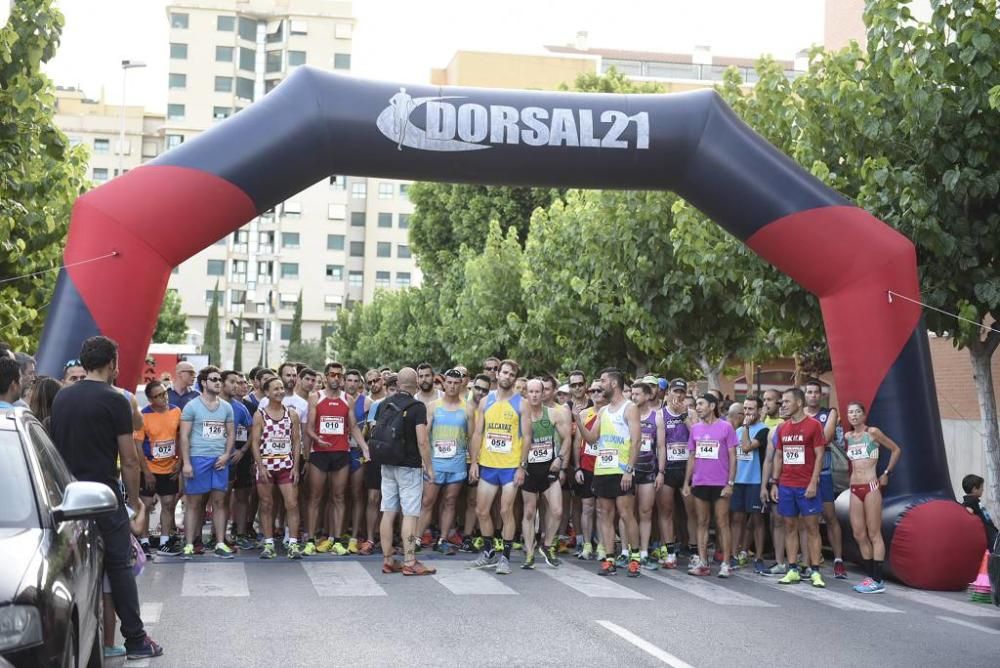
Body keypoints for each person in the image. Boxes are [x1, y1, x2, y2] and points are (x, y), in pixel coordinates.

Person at [49, 336, 163, 659]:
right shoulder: (117, 400)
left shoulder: (62, 398)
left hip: (68, 495)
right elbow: (129, 458)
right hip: (103, 496)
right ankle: (136, 640)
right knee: (119, 564)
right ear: (113, 364)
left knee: (73, 566)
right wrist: (135, 503)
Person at [575, 368, 642, 577]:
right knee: (605, 515)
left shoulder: (629, 408)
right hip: (602, 468)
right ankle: (609, 559)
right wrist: (578, 420)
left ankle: (635, 558)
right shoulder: (602, 412)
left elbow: (636, 440)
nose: (598, 386)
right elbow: (592, 438)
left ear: (613, 384)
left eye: (602, 381)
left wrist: (629, 470)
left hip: (622, 470)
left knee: (626, 514)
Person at [469, 359, 532, 575]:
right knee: (482, 511)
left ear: (515, 379)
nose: (506, 377)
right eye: (504, 372)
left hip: (510, 467)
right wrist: (474, 462)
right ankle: (488, 552)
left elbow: (527, 437)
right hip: (488, 464)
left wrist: (522, 467)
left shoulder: (521, 403)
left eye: (511, 374)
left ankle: (504, 557)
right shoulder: (486, 401)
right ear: (497, 374)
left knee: (506, 511)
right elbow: (478, 433)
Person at [377, 367, 436, 575]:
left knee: (388, 511)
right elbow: (422, 440)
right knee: (410, 514)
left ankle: (387, 560)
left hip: (387, 464)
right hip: (409, 467)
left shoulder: (384, 404)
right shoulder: (417, 406)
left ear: (398, 384)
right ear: (416, 385)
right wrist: (429, 467)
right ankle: (410, 562)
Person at [305, 361, 367, 555]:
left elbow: (354, 426)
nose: (336, 378)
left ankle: (338, 540)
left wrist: (365, 448)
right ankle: (310, 539)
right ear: (325, 377)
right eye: (332, 374)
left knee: (339, 496)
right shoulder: (315, 396)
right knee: (316, 497)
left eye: (339, 375)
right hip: (320, 453)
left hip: (341, 452)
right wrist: (317, 440)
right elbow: (308, 427)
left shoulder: (348, 399)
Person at [770, 388, 826, 588]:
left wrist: (813, 482)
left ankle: (815, 570)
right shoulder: (782, 428)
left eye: (786, 401)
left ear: (799, 403)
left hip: (806, 486)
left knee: (812, 528)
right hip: (786, 485)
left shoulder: (814, 425)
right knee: (790, 527)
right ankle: (792, 568)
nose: (782, 405)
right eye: (782, 402)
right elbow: (778, 456)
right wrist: (774, 483)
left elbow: (820, 455)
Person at [844, 401, 902, 594]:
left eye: (857, 412)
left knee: (874, 533)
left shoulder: (873, 433)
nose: (853, 415)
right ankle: (870, 577)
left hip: (871, 486)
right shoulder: (848, 436)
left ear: (863, 414)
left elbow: (896, 449)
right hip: (854, 487)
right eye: (850, 412)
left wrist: (886, 472)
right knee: (858, 534)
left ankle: (878, 579)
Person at [179, 365, 236, 559]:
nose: (218, 382)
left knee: (220, 502)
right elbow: (184, 436)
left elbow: (231, 433)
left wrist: (227, 454)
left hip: (219, 459)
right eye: (214, 379)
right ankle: (188, 544)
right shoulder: (192, 406)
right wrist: (186, 463)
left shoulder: (227, 407)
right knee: (194, 503)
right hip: (198, 458)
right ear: (203, 383)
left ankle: (220, 542)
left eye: (220, 379)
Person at [416, 368, 475, 554]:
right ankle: (415, 538)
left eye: (456, 383)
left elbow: (473, 437)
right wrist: (424, 461)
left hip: (457, 463)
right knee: (427, 501)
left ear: (462, 384)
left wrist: (474, 463)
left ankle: (442, 539)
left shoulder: (468, 408)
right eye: (449, 382)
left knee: (450, 501)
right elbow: (424, 435)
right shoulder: (433, 406)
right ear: (443, 384)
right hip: (436, 463)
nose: (452, 386)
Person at [682, 394, 738, 577]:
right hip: (700, 482)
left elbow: (733, 456)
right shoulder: (696, 429)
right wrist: (686, 483)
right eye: (697, 404)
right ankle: (703, 561)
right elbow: (692, 456)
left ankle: (726, 563)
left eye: (701, 404)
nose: (697, 407)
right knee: (702, 522)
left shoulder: (726, 427)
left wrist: (730, 482)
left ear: (712, 406)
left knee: (722, 523)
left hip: (720, 483)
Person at [520, 379, 571, 569]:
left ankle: (547, 545)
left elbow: (567, 439)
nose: (534, 395)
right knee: (530, 512)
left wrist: (560, 459)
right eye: (530, 391)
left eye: (537, 392)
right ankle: (529, 553)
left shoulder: (553, 414)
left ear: (543, 394)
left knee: (557, 511)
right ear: (525, 393)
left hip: (548, 469)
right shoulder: (521, 415)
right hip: (528, 470)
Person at [252, 376, 303, 559]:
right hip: (266, 465)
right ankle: (269, 543)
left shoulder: (292, 414)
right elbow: (255, 443)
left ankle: (294, 544)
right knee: (266, 505)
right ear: (266, 392)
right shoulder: (260, 415)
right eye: (275, 389)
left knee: (292, 504)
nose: (280, 392)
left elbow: (297, 442)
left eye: (281, 388)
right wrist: (260, 466)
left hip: (286, 466)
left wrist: (296, 467)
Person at [803, 379, 847, 579]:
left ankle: (838, 560)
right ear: (804, 395)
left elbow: (826, 437)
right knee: (805, 520)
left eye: (816, 392)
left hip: (824, 472)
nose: (812, 395)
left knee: (829, 516)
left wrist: (804, 434)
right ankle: (808, 560)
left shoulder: (829, 413)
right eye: (809, 392)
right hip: (802, 473)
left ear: (821, 395)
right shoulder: (799, 413)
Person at [134, 380, 183, 556]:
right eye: (159, 395)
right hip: (149, 466)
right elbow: (138, 446)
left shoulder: (176, 411)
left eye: (164, 393)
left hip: (170, 466)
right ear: (150, 399)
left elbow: (181, 437)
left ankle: (164, 541)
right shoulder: (143, 416)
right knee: (146, 505)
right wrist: (146, 472)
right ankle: (145, 541)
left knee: (169, 504)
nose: (164, 397)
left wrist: (180, 460)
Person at [657, 378, 696, 568]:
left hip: (687, 468)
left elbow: (697, 435)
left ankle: (695, 552)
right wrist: (660, 471)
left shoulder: (692, 413)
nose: (679, 396)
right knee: (667, 511)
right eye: (676, 391)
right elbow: (660, 445)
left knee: (691, 512)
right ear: (669, 393)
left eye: (682, 392)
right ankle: (670, 552)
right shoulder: (660, 415)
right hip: (669, 468)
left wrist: (683, 416)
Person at [731, 396, 769, 573]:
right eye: (745, 409)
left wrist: (745, 427)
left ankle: (759, 557)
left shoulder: (764, 431)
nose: (747, 413)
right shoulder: (737, 431)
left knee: (757, 520)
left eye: (751, 409)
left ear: (759, 411)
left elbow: (746, 447)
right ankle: (733, 555)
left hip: (755, 481)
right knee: (737, 519)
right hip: (739, 481)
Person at [631, 379, 665, 570]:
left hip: (648, 470)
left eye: (637, 394)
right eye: (632, 394)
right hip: (629, 470)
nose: (634, 397)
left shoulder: (656, 417)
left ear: (647, 396)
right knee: (628, 513)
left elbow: (661, 447)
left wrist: (661, 472)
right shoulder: (627, 415)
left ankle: (643, 551)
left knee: (645, 511)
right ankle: (629, 551)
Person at [220, 370, 255, 550]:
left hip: (240, 457)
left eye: (241, 382)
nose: (238, 386)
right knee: (220, 499)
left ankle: (240, 533)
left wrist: (242, 450)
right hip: (217, 457)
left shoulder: (244, 407)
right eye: (234, 382)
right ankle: (219, 536)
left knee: (242, 496)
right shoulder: (211, 404)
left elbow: (253, 431)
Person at [459, 374, 493, 553]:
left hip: (479, 460)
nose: (480, 392)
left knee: (474, 500)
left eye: (485, 390)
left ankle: (468, 536)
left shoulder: (489, 408)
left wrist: (475, 461)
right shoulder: (461, 405)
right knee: (450, 500)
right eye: (477, 388)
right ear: (471, 387)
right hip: (456, 459)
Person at [572, 381, 605, 560]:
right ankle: (586, 544)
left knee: (601, 509)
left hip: (605, 466)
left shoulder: (610, 412)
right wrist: (577, 467)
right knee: (587, 507)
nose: (595, 393)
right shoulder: (584, 414)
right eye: (592, 390)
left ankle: (601, 545)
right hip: (586, 466)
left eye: (599, 390)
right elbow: (578, 442)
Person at [758, 388, 789, 576]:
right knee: (776, 520)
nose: (766, 403)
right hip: (774, 479)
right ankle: (779, 561)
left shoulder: (790, 422)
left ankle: (806, 564)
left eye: (771, 400)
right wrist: (765, 484)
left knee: (797, 523)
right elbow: (768, 459)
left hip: (796, 479)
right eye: (764, 399)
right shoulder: (769, 428)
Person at [962, 474, 999, 549]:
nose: (983, 489)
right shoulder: (969, 504)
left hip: (993, 535)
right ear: (974, 489)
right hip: (988, 539)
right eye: (981, 487)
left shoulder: (976, 502)